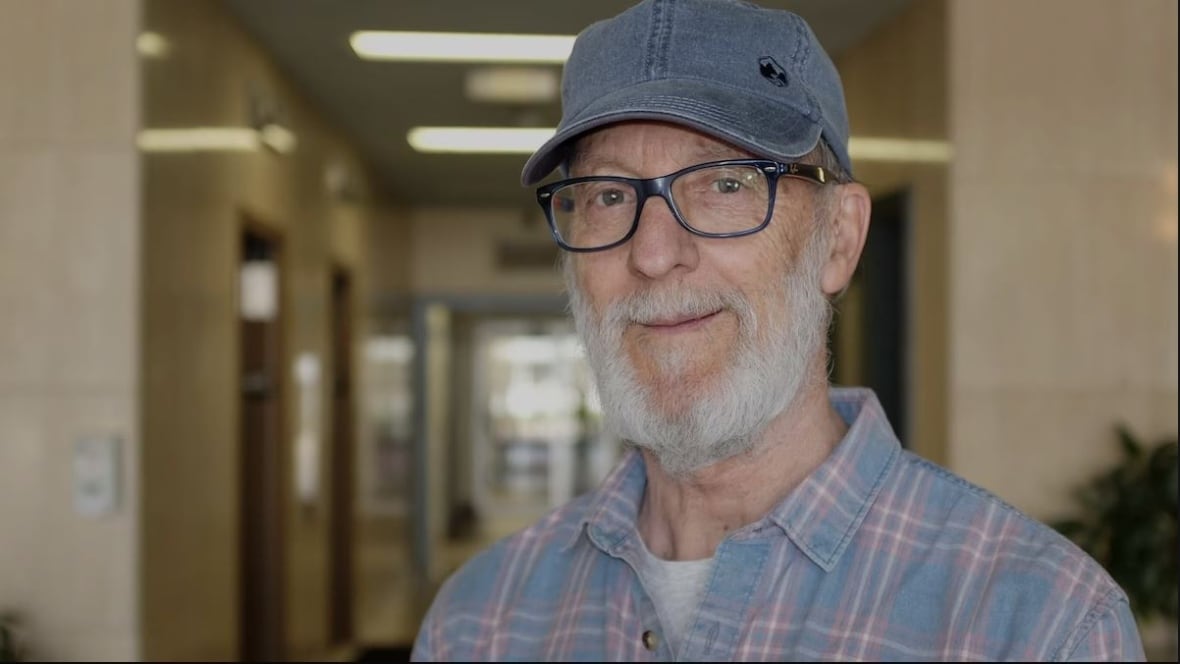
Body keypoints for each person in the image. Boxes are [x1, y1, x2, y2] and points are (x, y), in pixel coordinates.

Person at [412, 0, 1146, 660]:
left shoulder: (1037, 626)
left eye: (726, 183)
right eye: (607, 195)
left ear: (839, 239)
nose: (654, 253)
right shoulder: (480, 622)